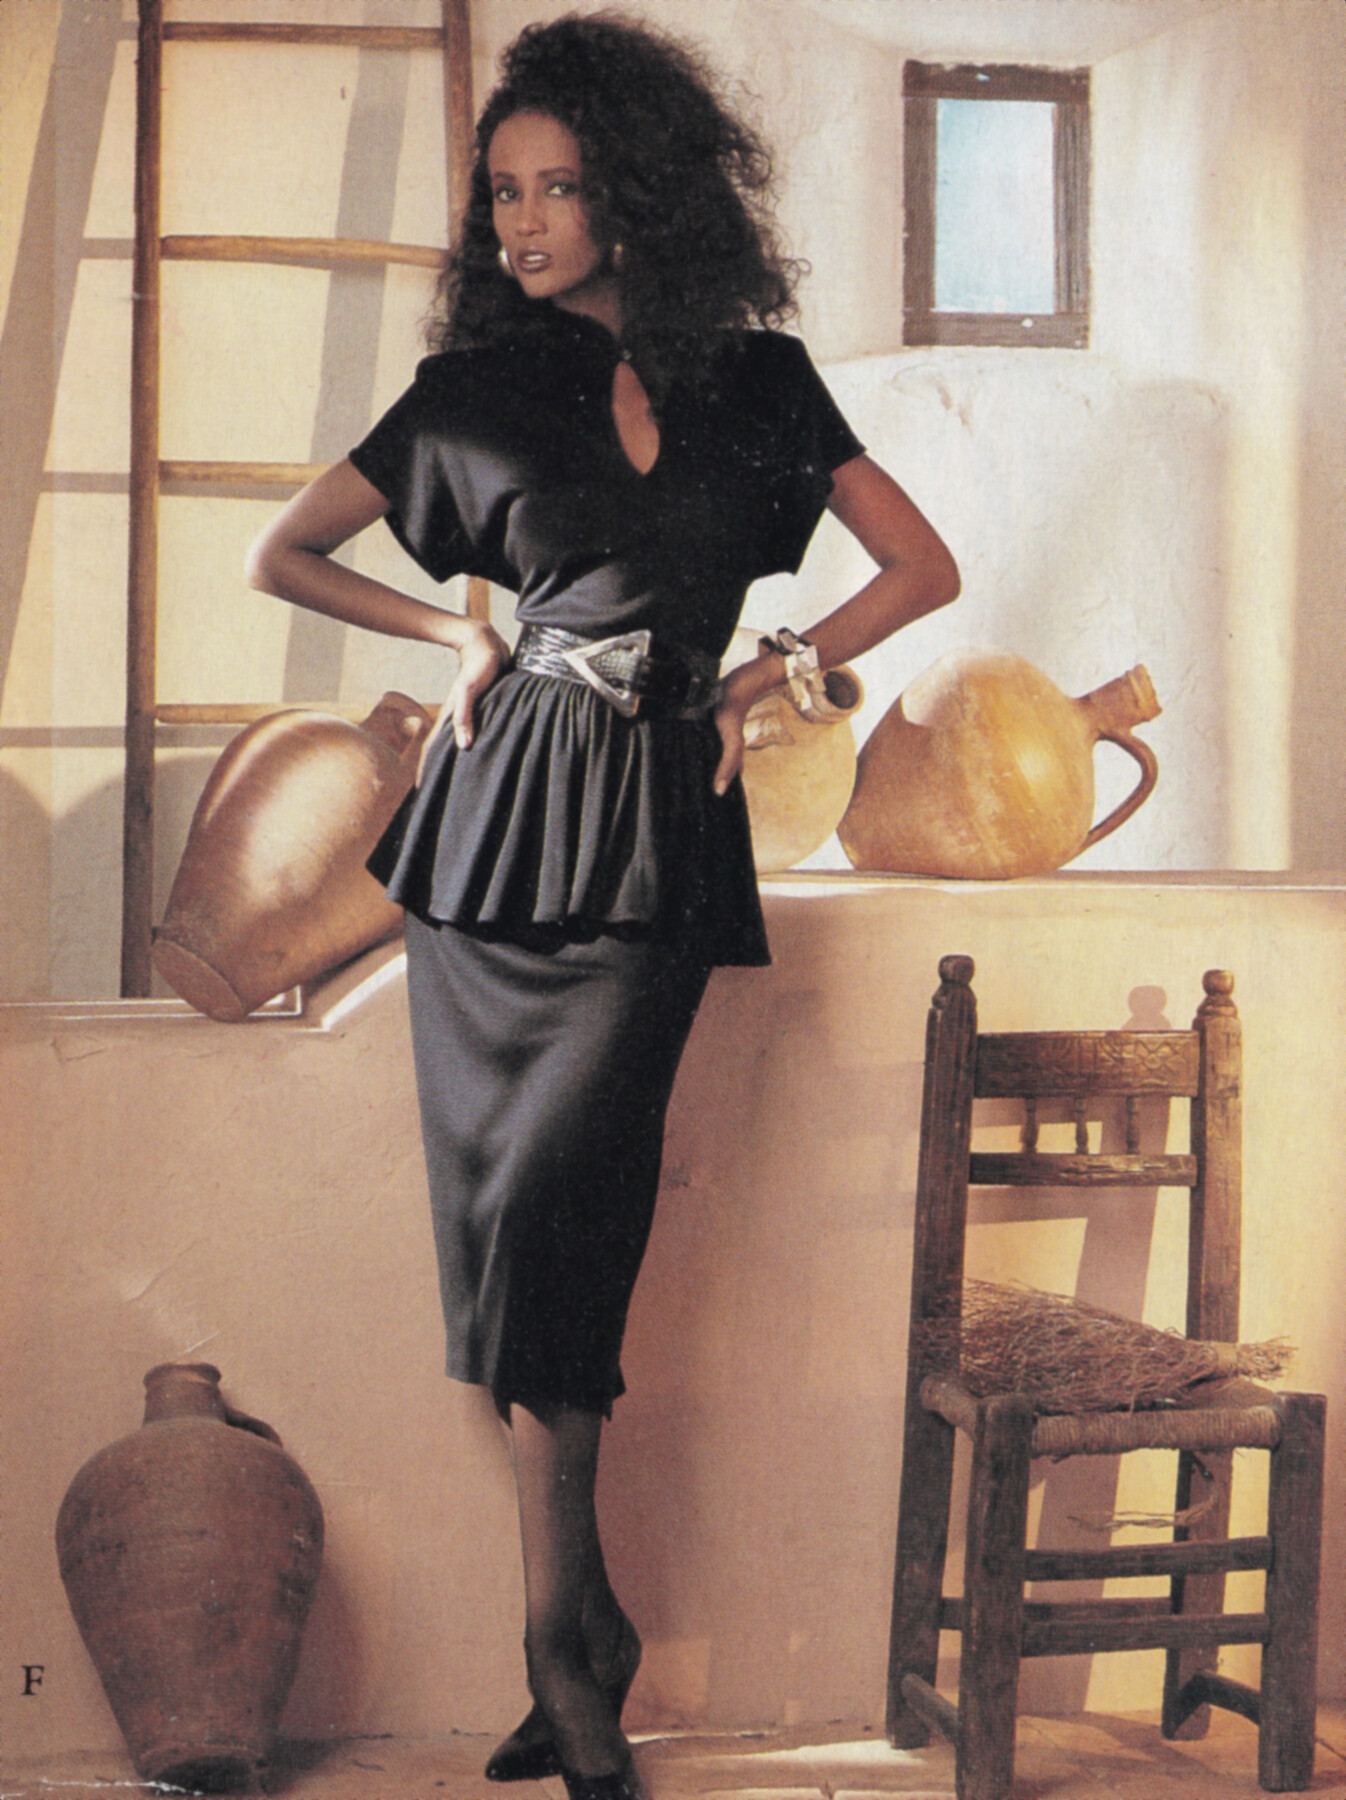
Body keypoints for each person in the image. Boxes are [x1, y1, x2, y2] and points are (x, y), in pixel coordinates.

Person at [246, 14, 959, 1799]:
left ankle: (567, 1641)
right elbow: (284, 551)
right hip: (492, 848)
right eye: (500, 193)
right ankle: (576, 1637)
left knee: (571, 1210)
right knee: (512, 1227)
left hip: (653, 835)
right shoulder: (471, 393)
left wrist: (773, 670)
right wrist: (455, 631)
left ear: (637, 193)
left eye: (557, 188)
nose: (522, 223)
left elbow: (919, 566)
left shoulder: (760, 382)